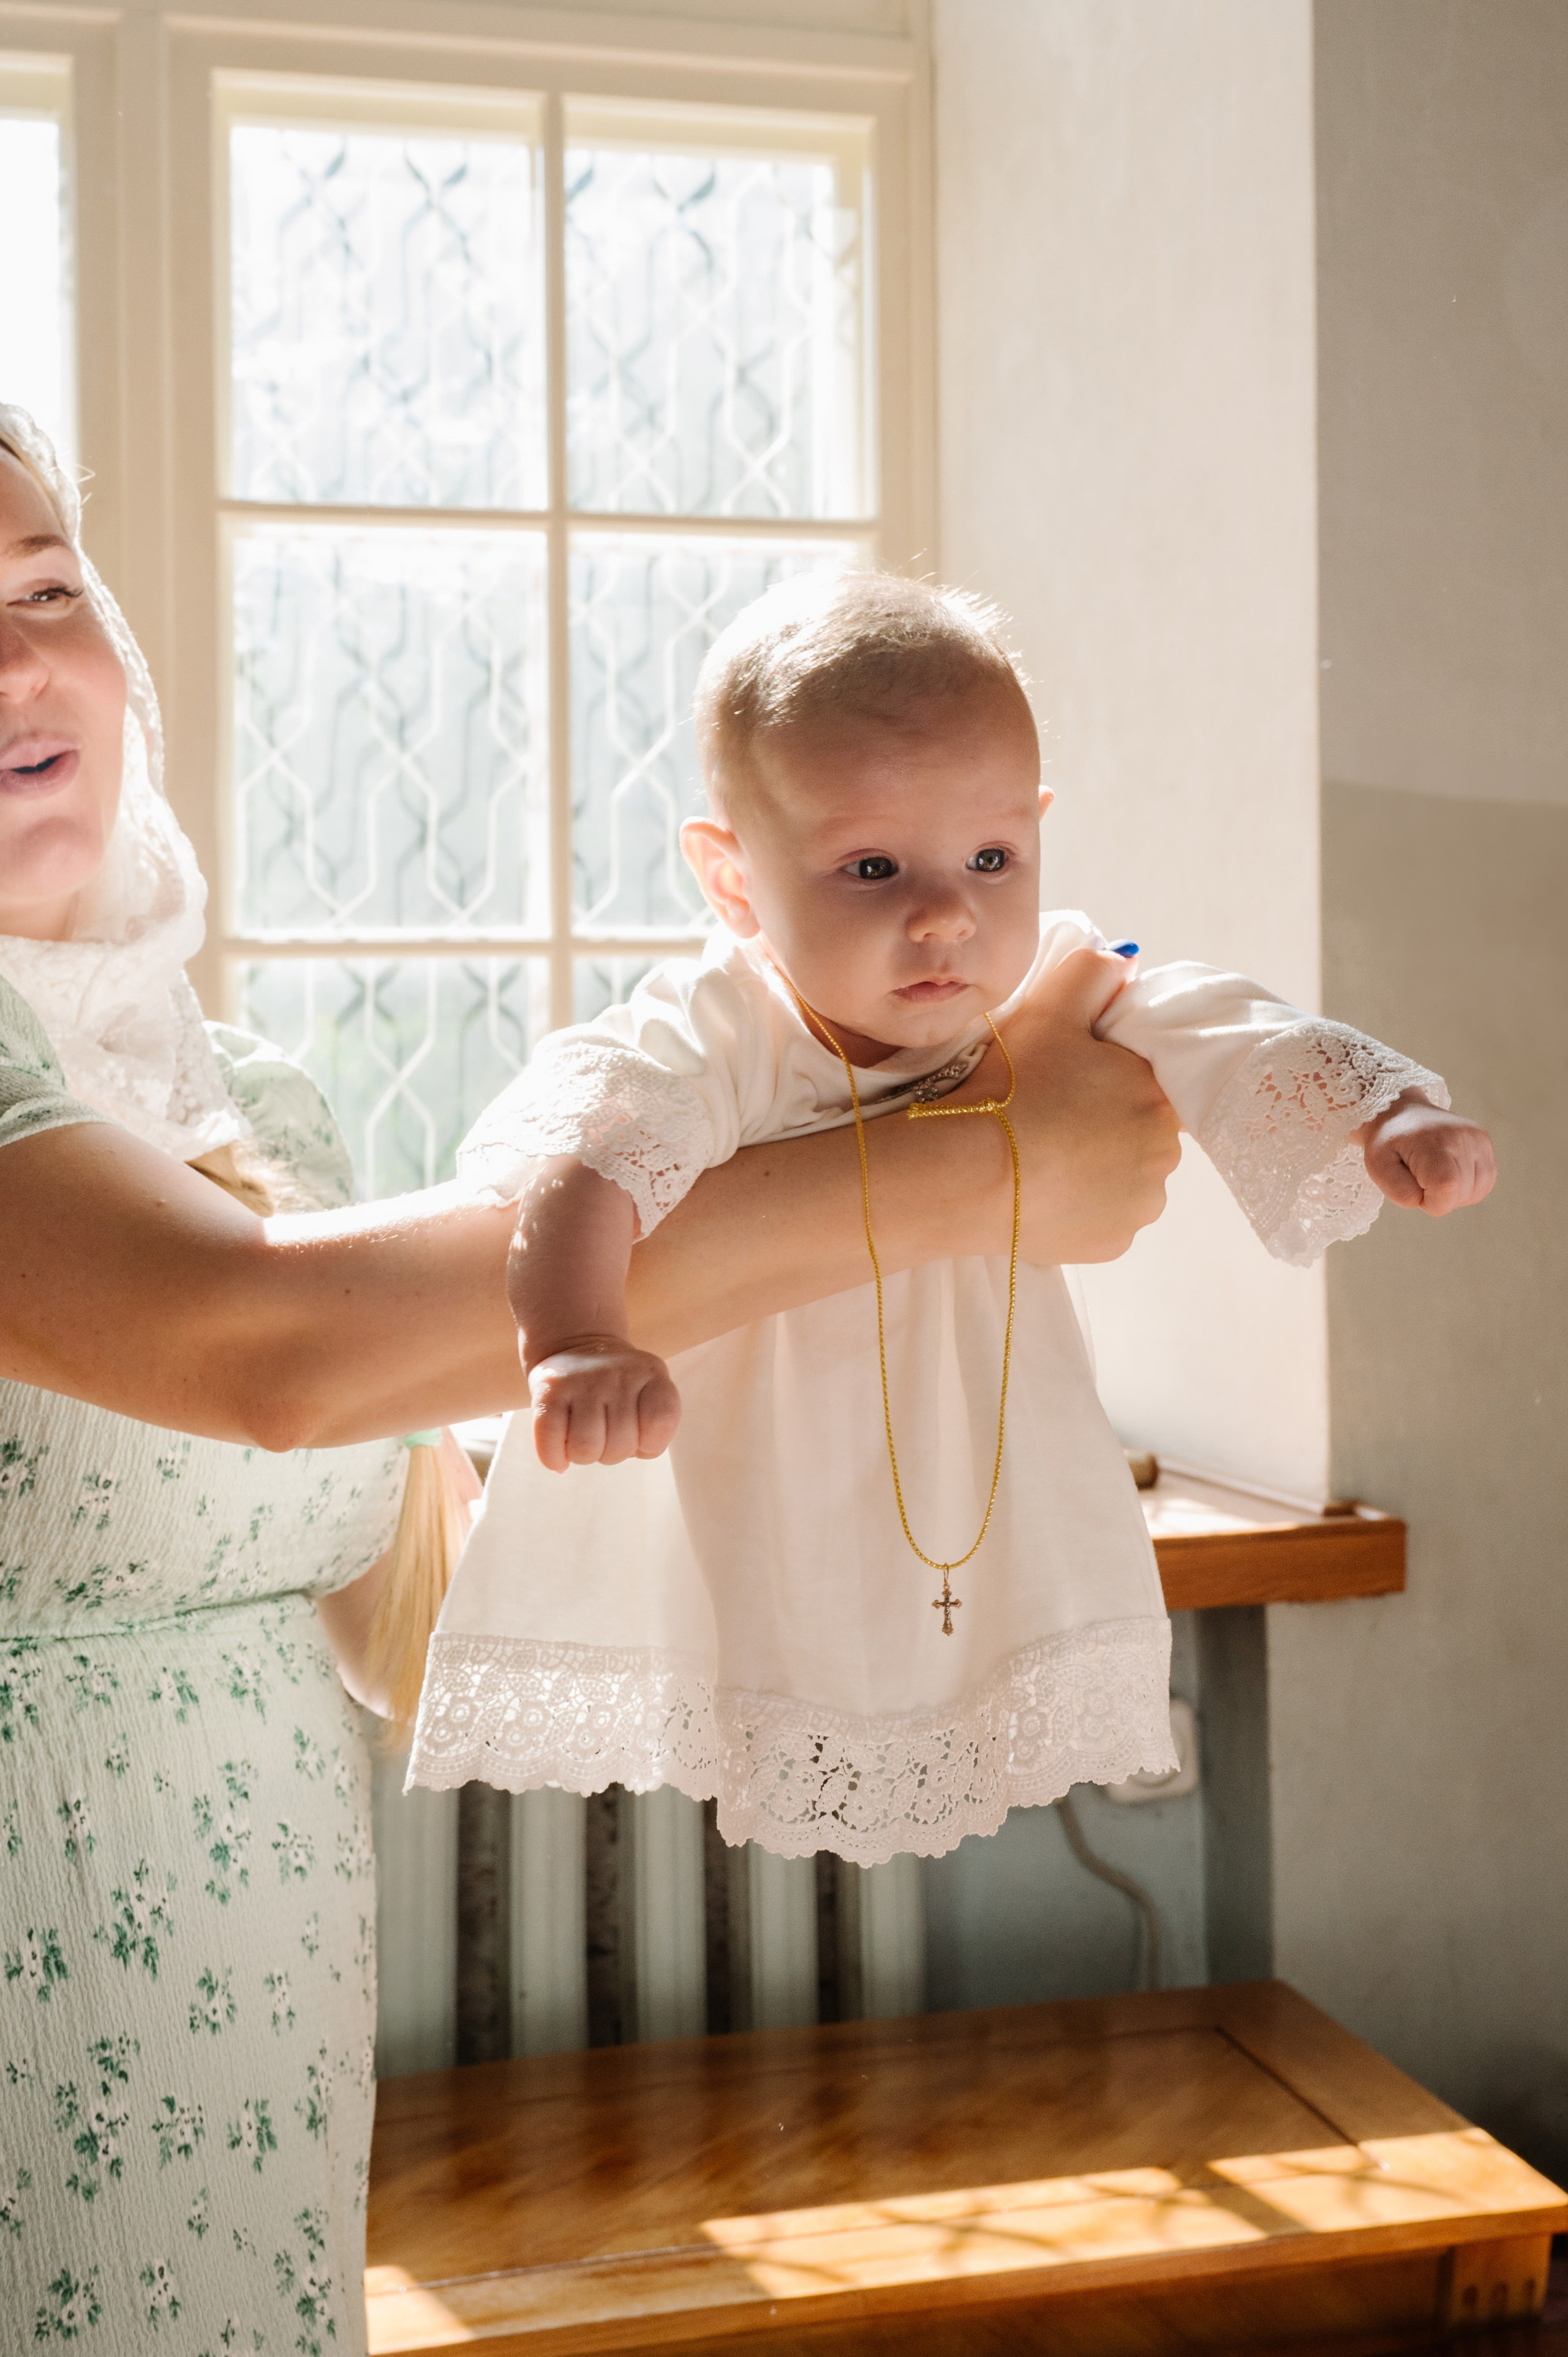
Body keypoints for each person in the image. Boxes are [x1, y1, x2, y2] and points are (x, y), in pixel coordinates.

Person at [0, 407, 1177, 2351]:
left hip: (239, 2073)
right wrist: (974, 1171)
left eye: (46, 589)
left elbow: (415, 1568)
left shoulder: (250, 1105)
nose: (22, 660)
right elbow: (266, 1353)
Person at [408, 573, 1495, 1866]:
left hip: (974, 1465)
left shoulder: (1045, 990)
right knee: (765, 1644)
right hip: (761, 1468)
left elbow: (1217, 1022)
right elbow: (580, 1168)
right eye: (871, 867)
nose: (944, 914)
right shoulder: (721, 1032)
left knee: (967, 1646)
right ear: (733, 877)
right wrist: (581, 1340)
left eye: (990, 859)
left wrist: (1377, 1113)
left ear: (1035, 830)